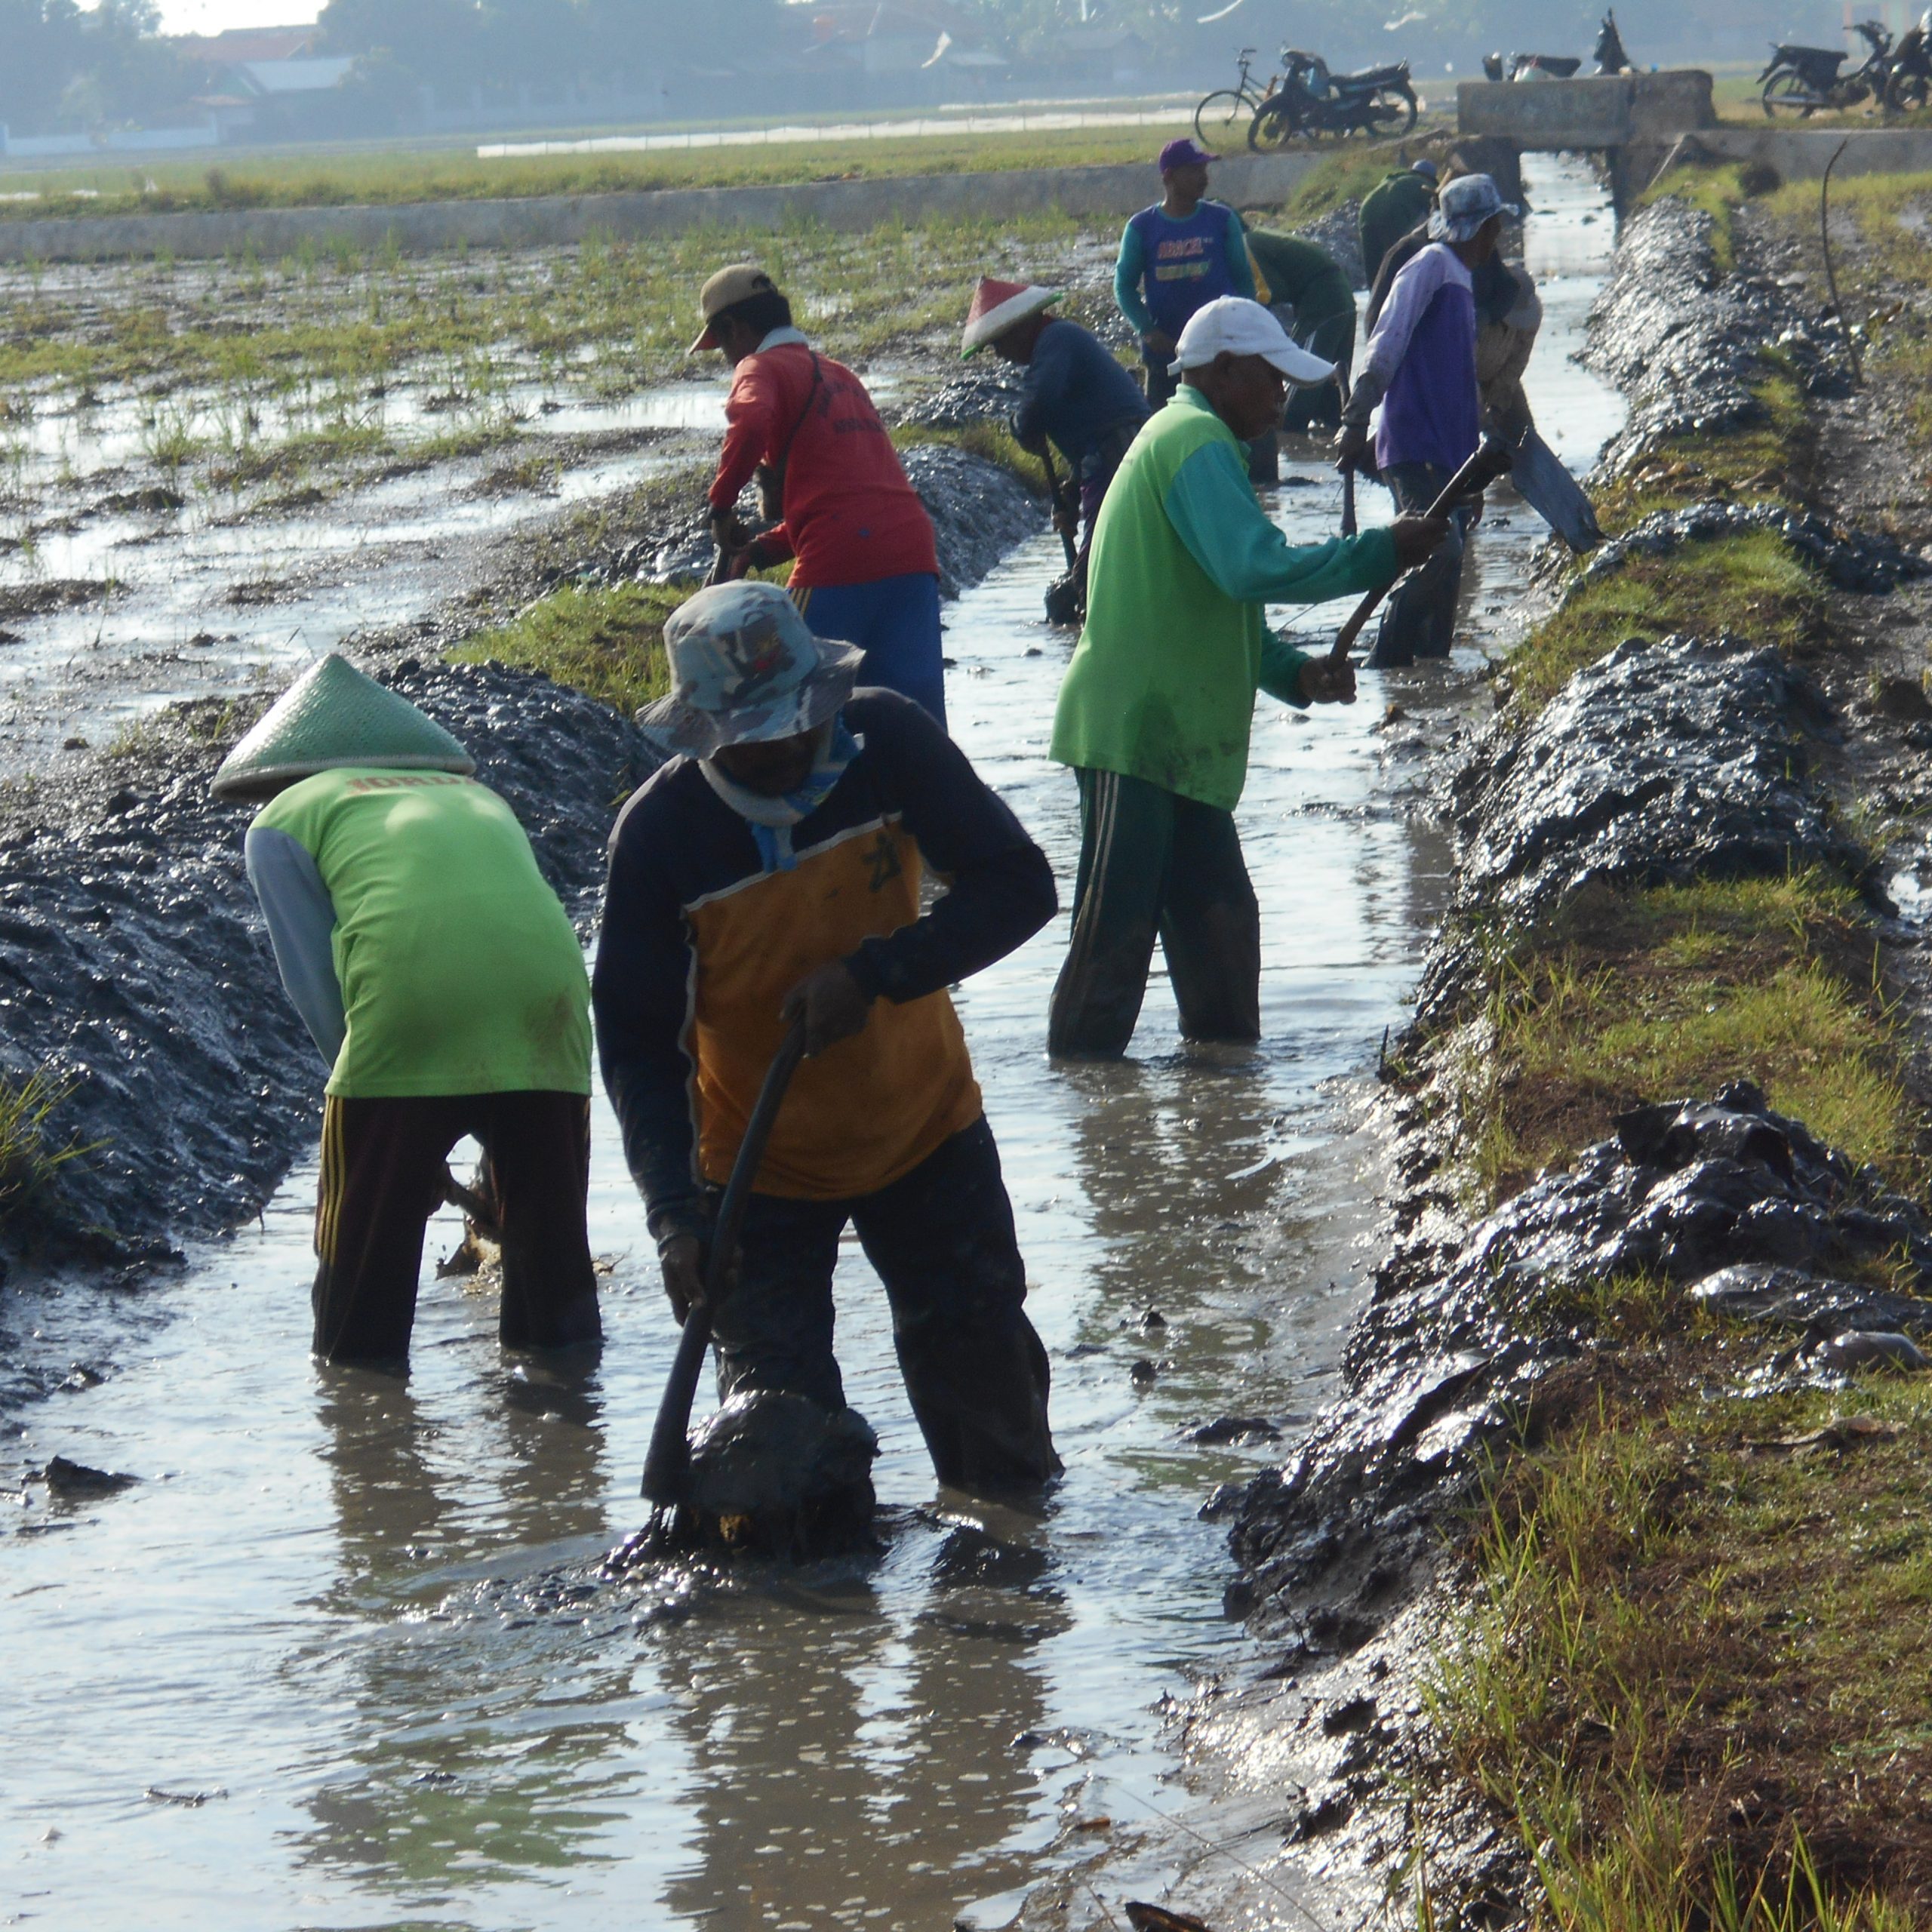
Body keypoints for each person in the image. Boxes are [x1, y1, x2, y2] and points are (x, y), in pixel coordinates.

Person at [594, 580, 1061, 1494]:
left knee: (996, 1435)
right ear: (706, 732)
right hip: (757, 1173)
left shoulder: (888, 743)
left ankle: (1004, 1600)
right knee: (778, 1454)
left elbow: (1020, 885)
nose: (783, 752)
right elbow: (639, 1045)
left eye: (795, 725)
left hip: (925, 1130)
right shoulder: (661, 838)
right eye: (753, 741)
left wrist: (875, 973)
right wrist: (674, 1218)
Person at [1047, 298, 1446, 1059]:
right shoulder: (1192, 437)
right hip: (1131, 735)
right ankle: (1087, 1108)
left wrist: (1296, 675)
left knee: (1221, 925)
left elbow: (1223, 604)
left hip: (1177, 743)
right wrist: (1378, 551)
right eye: (1272, 381)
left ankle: (1224, 1093)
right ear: (1223, 372)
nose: (1281, 399)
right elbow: (1252, 567)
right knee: (1113, 944)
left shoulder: (1197, 442)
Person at [212, 652, 600, 1367]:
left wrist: (376, 1103)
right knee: (555, 1277)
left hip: (408, 1017)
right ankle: (565, 1419)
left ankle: (363, 1428)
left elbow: (315, 982)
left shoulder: (281, 819)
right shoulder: (481, 800)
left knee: (360, 1287)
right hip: (552, 1006)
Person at [692, 261, 948, 726]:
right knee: (917, 725)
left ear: (735, 328)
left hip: (840, 560)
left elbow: (749, 423)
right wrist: (763, 549)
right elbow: (849, 499)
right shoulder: (840, 376)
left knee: (800, 716)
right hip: (912, 554)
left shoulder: (760, 367)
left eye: (723, 344)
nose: (728, 359)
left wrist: (721, 506)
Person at [1337, 172, 1515, 670]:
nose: (1495, 238)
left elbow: (1457, 385)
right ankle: (1382, 661)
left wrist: (1471, 479)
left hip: (1449, 454)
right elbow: (1386, 342)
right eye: (1494, 228)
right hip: (1414, 444)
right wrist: (1357, 418)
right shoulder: (1431, 266)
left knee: (1449, 572)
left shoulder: (1460, 279)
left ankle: (1430, 682)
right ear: (1483, 229)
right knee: (1436, 552)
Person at [960, 275, 1149, 621]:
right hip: (1109, 454)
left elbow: (1038, 404)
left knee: (1095, 571)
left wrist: (1020, 428)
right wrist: (1072, 494)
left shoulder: (1056, 339)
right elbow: (1081, 429)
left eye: (998, 344)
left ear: (1019, 328)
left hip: (1118, 451)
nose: (999, 355)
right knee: (1107, 563)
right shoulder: (1058, 344)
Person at [1112, 137, 1260, 407]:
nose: (1204, 178)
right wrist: (1147, 330)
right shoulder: (1142, 227)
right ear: (1169, 176)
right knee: (1166, 431)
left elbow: (1244, 282)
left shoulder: (1222, 219)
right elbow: (1124, 287)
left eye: (1204, 170)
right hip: (1166, 356)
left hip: (1219, 354)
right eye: (1194, 171)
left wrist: (1243, 329)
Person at [1243, 229, 1356, 433]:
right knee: (1332, 409)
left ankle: (1289, 446)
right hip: (1342, 297)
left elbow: (1269, 291)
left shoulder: (1246, 244)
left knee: (1298, 389)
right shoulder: (1263, 238)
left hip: (1322, 300)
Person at [1357, 157, 1438, 290]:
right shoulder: (1427, 185)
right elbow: (1439, 217)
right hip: (1394, 214)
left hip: (1366, 211)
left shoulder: (1393, 179)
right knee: (1399, 261)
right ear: (1431, 177)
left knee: (1374, 268)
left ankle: (1374, 303)